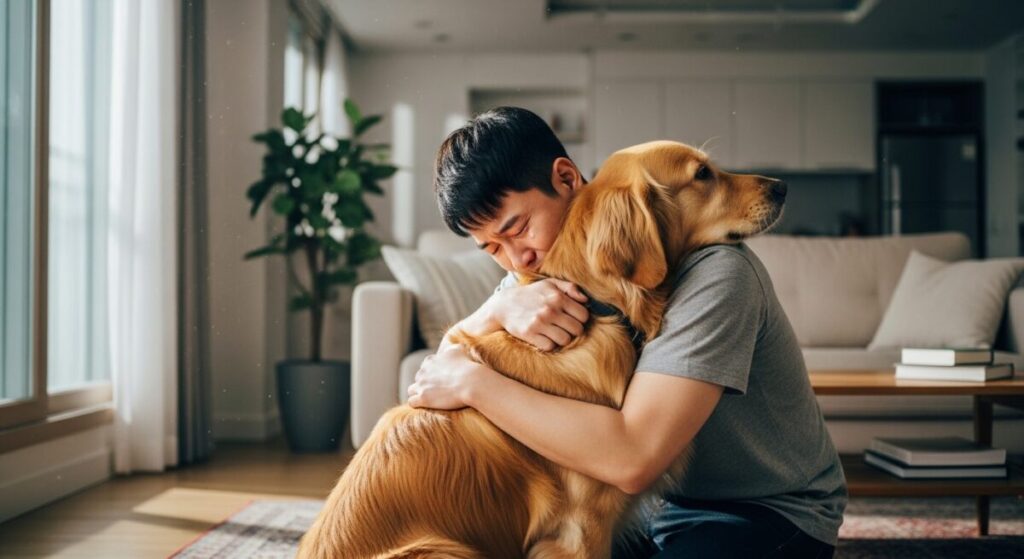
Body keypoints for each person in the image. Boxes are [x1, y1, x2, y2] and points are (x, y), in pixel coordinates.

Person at [407, 106, 846, 558]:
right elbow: (440, 372)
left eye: (517, 229)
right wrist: (496, 310)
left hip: (765, 511)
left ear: (565, 178)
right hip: (649, 511)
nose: (517, 259)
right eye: (492, 248)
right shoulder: (534, 280)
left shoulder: (718, 273)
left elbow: (633, 459)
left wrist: (475, 384)